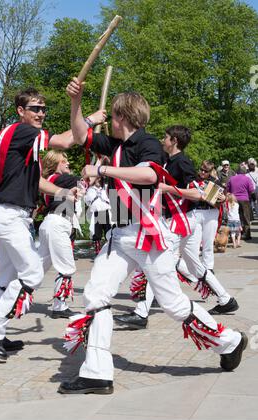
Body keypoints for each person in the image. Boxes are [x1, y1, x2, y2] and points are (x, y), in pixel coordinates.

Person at [58, 79, 247, 395]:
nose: (112, 122)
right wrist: (76, 102)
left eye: (114, 117)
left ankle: (229, 341)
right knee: (96, 294)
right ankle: (97, 374)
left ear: (121, 117)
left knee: (173, 304)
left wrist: (102, 172)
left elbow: (148, 175)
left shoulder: (148, 144)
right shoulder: (114, 146)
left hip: (148, 235)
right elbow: (78, 135)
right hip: (120, 235)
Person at [0, 87, 106, 361]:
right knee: (33, 273)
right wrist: (90, 120)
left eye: (43, 109)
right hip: (10, 215)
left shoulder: (24, 142)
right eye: (35, 108)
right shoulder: (23, 132)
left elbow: (36, 182)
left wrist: (62, 193)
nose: (41, 113)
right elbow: (64, 141)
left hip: (14, 214)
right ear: (21, 111)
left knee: (6, 278)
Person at [116, 130, 238, 330]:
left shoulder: (181, 162)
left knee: (156, 259)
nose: (162, 140)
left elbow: (195, 191)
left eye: (166, 137)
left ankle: (141, 312)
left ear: (174, 141)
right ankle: (226, 300)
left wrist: (169, 189)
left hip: (180, 221)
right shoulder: (167, 159)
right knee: (194, 265)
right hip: (181, 220)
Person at [38, 150, 82, 319]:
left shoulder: (54, 181)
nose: (68, 163)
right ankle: (59, 307)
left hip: (53, 224)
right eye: (64, 161)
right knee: (66, 266)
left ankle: (9, 296)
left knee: (37, 269)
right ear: (54, 164)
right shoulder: (57, 179)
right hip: (57, 224)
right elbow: (84, 181)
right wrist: (99, 166)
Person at [84, 158, 112, 255]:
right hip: (97, 212)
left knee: (109, 231)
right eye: (96, 178)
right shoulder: (90, 189)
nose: (97, 179)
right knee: (97, 233)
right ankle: (98, 250)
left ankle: (109, 250)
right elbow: (87, 200)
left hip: (106, 212)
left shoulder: (106, 187)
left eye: (99, 178)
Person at [227, 163, 256, 241]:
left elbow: (228, 190)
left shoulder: (231, 178)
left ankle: (234, 234)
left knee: (234, 217)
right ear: (244, 172)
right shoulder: (247, 179)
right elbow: (251, 191)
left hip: (233, 200)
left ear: (237, 171)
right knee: (246, 217)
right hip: (244, 200)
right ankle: (246, 234)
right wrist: (254, 199)